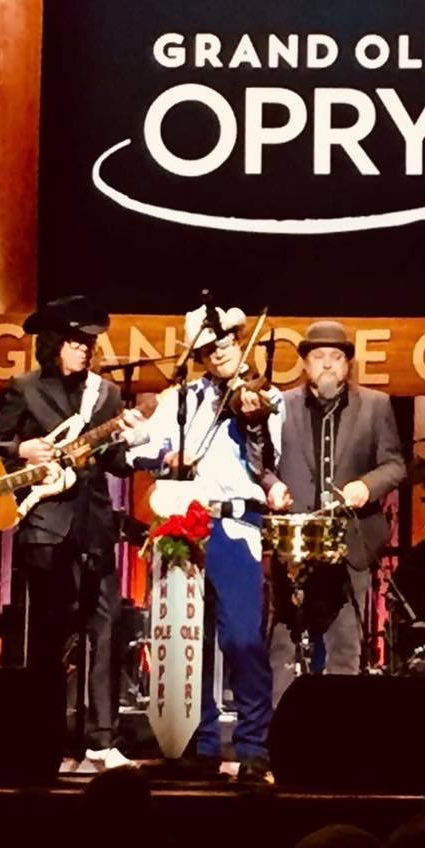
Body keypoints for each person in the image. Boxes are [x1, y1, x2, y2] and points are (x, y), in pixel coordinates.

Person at [128, 302, 283, 781]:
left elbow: (267, 456)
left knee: (241, 638)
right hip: (184, 526)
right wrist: (163, 455)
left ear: (240, 344)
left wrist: (253, 419)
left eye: (228, 344)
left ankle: (255, 745)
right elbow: (139, 451)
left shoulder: (264, 395)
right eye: (210, 348)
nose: (221, 354)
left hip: (235, 527)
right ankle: (201, 742)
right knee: (188, 640)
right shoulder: (182, 400)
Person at [0, 296, 136, 768]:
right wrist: (22, 449)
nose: (84, 350)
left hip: (94, 526)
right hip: (46, 527)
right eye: (74, 342)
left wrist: (136, 447)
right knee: (47, 636)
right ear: (53, 345)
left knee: (106, 627)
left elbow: (112, 462)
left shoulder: (105, 395)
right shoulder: (25, 389)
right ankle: (43, 736)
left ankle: (101, 739)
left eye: (88, 343)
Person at [264, 321, 405, 703]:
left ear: (347, 365)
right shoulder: (280, 405)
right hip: (295, 542)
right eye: (319, 357)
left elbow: (395, 465)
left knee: (346, 644)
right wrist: (271, 485)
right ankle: (283, 738)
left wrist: (367, 486)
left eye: (336, 357)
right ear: (306, 364)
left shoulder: (376, 405)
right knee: (285, 642)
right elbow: (259, 461)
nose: (328, 365)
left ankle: (338, 742)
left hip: (353, 541)